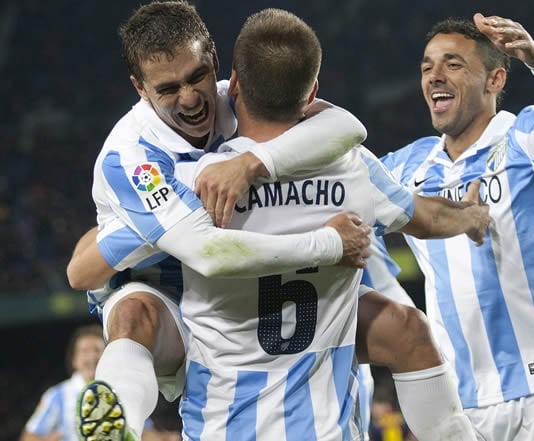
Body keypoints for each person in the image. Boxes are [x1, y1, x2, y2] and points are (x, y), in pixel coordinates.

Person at [171, 8, 486, 439]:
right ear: (312, 91)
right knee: (409, 327)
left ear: (236, 83)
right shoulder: (351, 167)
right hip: (322, 429)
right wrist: (472, 217)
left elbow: (94, 261)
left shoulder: (197, 181)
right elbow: (425, 216)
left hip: (221, 427)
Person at [66, 1, 374, 440]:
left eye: (196, 77)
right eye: (168, 89)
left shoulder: (240, 98)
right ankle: (117, 425)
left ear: (214, 58)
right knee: (135, 313)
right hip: (166, 295)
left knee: (395, 321)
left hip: (235, 300)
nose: (190, 99)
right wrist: (329, 244)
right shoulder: (132, 156)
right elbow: (206, 253)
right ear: (140, 88)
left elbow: (346, 127)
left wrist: (253, 161)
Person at [371, 13, 534, 441]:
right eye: (427, 67)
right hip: (461, 402)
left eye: (453, 64)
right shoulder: (407, 166)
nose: (434, 76)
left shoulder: (524, 134)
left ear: (495, 80)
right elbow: (344, 196)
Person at [20, 324, 176, 441]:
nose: (91, 357)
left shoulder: (123, 391)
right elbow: (28, 436)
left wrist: (165, 438)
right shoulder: (58, 395)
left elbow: (144, 433)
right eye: (85, 351)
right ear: (74, 359)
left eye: (97, 350)